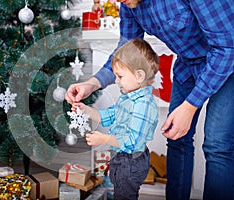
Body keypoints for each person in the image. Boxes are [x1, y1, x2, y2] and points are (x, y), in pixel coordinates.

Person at [65, 1, 234, 200]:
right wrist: (92, 84)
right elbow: (125, 50)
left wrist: (189, 107)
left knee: (217, 145)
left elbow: (227, 46)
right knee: (177, 139)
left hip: (226, 62)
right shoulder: (128, 4)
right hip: (187, 66)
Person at [72, 38, 159, 200]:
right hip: (121, 158)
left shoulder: (143, 104)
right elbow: (107, 116)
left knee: (125, 195)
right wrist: (86, 110)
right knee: (119, 191)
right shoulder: (127, 98)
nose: (117, 82)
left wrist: (104, 138)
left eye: (120, 76)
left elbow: (132, 142)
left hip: (131, 161)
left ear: (139, 75)